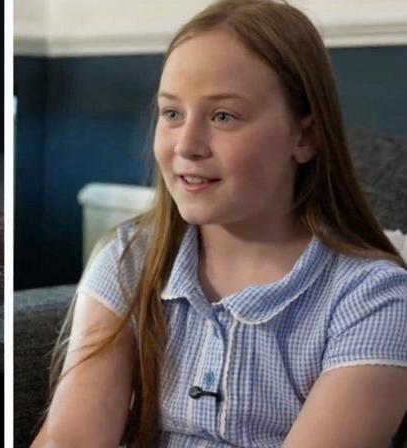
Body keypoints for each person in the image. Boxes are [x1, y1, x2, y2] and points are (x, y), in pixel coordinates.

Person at [30, 0, 407, 446]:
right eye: (172, 113)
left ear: (305, 136)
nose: (187, 145)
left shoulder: (375, 301)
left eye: (223, 116)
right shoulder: (127, 260)